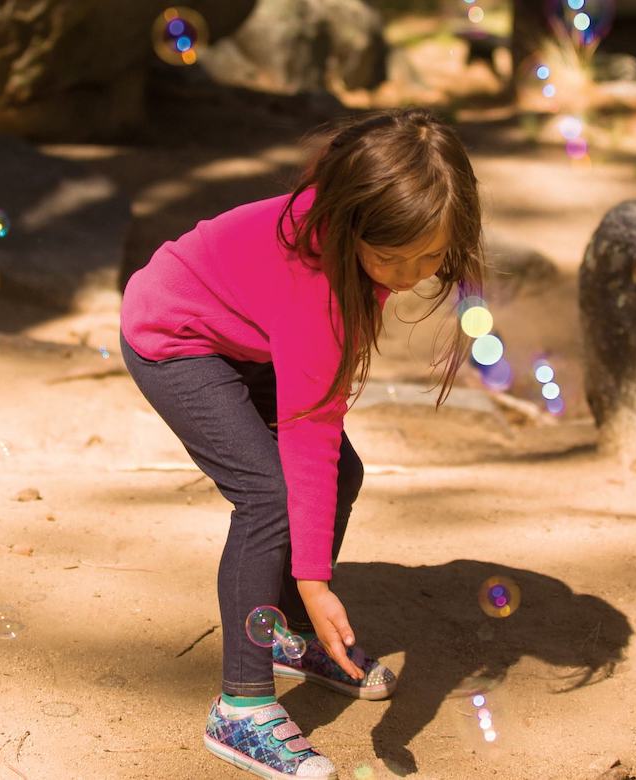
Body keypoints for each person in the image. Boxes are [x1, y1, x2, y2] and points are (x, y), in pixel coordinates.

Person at [119, 108, 485, 779]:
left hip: (246, 335)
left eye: (430, 256)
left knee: (343, 475)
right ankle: (242, 708)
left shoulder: (356, 241)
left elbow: (320, 436)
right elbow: (309, 431)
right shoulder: (314, 285)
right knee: (268, 495)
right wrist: (315, 581)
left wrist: (309, 586)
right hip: (178, 336)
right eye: (389, 257)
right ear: (349, 225)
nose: (408, 275)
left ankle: (285, 633)